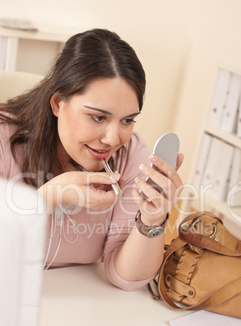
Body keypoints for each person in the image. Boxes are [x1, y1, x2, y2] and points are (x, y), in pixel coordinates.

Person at [0, 28, 183, 291]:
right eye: (98, 117)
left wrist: (152, 221)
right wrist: (50, 196)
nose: (113, 138)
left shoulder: (131, 154)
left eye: (127, 120)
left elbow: (127, 278)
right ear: (57, 103)